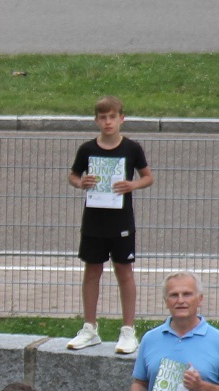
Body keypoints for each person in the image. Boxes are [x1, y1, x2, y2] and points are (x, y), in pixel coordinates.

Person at [67, 95, 155, 355]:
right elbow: (73, 175)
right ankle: (89, 328)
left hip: (121, 220)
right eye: (102, 117)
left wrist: (132, 185)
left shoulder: (131, 148)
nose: (107, 122)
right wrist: (79, 183)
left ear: (121, 119)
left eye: (112, 117)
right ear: (96, 120)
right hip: (93, 220)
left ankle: (128, 330)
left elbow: (148, 177)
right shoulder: (87, 149)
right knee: (91, 270)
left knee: (124, 271)